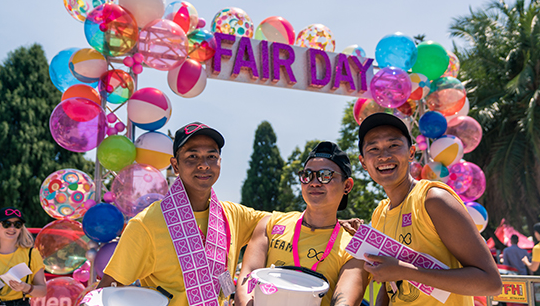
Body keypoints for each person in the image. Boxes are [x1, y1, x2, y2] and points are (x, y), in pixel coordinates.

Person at [99, 122, 270, 306]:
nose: (204, 165)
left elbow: (279, 223)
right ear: (175, 165)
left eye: (211, 156)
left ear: (220, 162)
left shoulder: (234, 215)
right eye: (192, 156)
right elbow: (109, 290)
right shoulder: (146, 224)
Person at [356, 113, 502, 306]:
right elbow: (390, 284)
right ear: (363, 162)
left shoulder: (433, 199)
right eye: (373, 149)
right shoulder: (379, 213)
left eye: (393, 145)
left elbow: (491, 283)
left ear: (411, 153)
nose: (384, 155)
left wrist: (405, 271)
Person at [235, 141, 369, 306]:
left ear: (347, 185)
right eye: (307, 175)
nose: (314, 182)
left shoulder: (355, 248)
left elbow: (345, 301)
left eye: (325, 175)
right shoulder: (270, 223)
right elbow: (247, 276)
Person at [0, 207, 47, 306]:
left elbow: (42, 291)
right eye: (6, 224)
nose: (12, 228)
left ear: (21, 229)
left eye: (17, 224)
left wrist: (26, 288)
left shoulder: (31, 254)